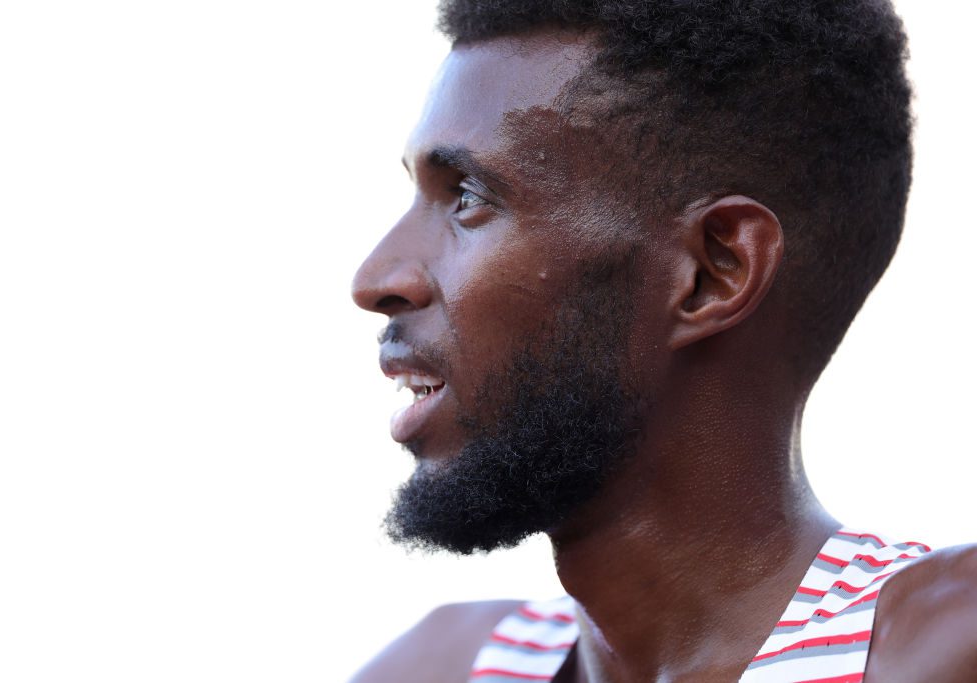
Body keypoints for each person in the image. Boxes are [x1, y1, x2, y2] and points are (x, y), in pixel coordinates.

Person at [349, 1, 977, 681]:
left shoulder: (943, 646)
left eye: (467, 197)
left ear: (712, 272)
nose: (375, 279)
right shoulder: (436, 666)